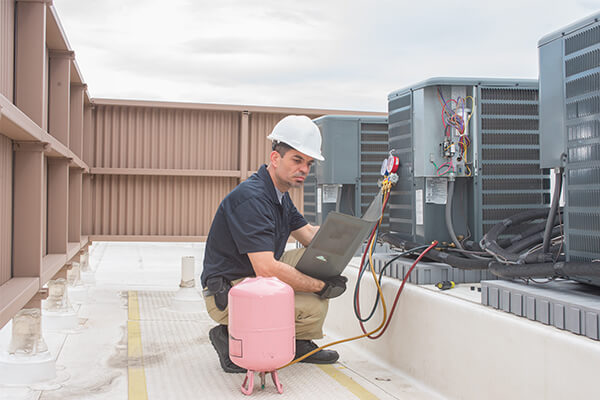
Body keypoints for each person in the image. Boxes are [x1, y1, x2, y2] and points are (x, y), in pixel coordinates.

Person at [201, 115, 348, 373]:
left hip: (251, 278)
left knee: (318, 263)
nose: (304, 169)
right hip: (228, 292)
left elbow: (309, 238)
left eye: (309, 163)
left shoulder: (279, 195)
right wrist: (321, 287)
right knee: (313, 305)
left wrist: (347, 239)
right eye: (297, 160)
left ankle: (297, 343)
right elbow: (267, 268)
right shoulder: (252, 198)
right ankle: (228, 334)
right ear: (275, 158)